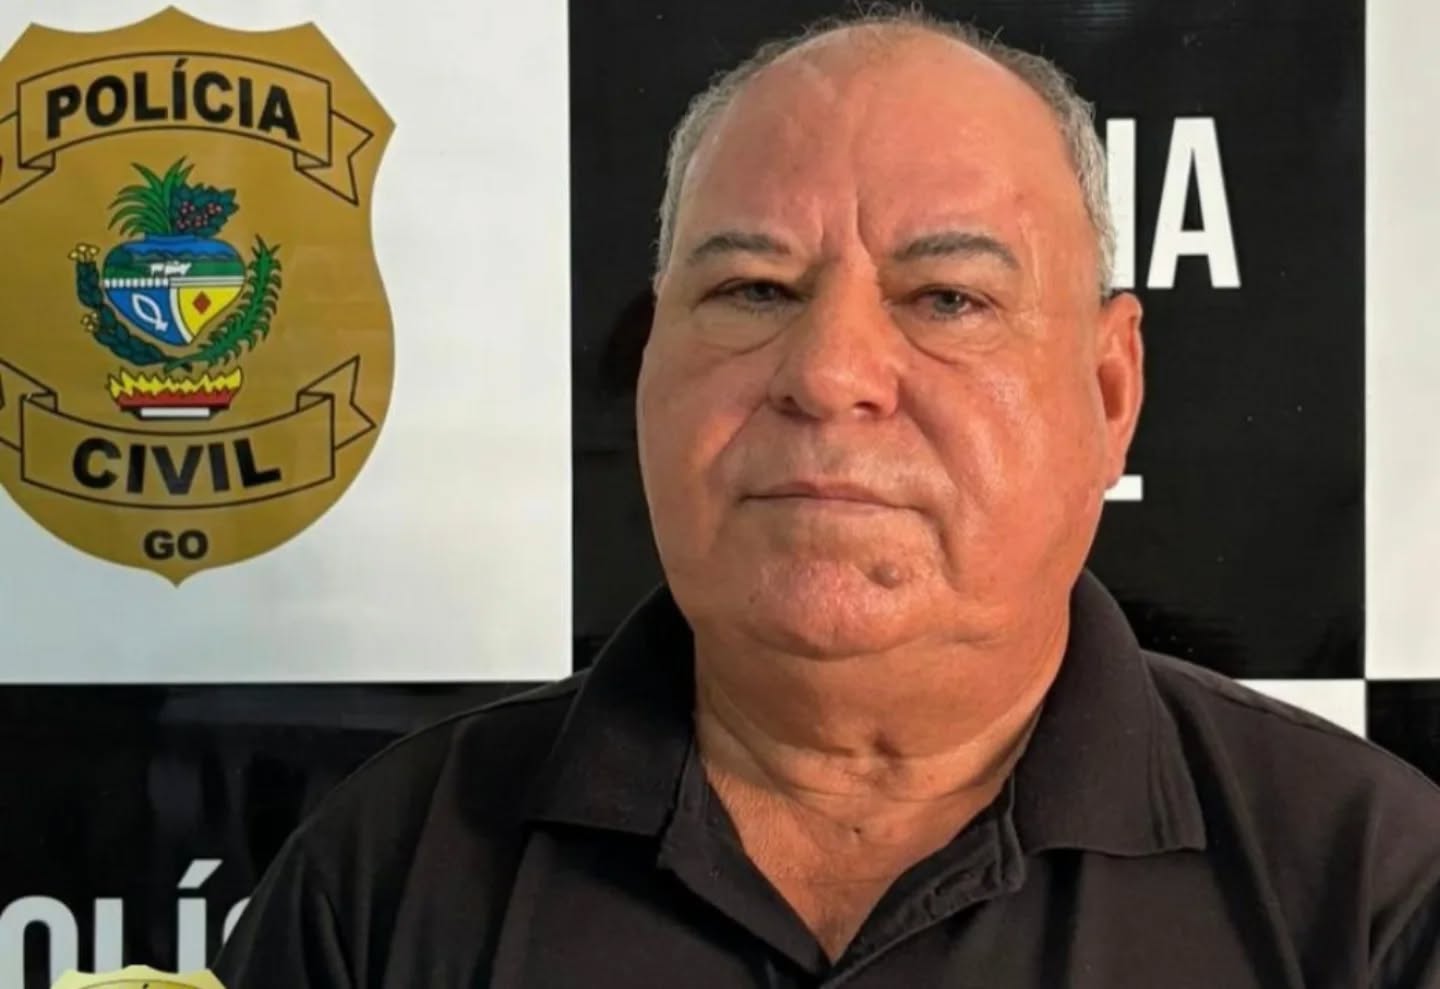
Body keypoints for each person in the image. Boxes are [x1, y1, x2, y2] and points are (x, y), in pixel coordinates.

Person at [215, 10, 1440, 988]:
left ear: (1109, 388)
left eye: (947, 298)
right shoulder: (383, 879)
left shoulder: (1369, 890)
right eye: (754, 290)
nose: (829, 372)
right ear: (648, 367)